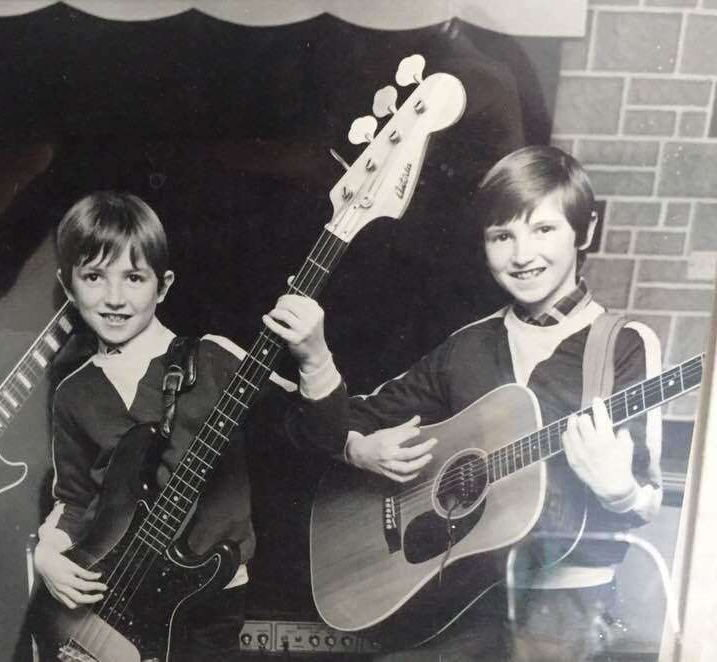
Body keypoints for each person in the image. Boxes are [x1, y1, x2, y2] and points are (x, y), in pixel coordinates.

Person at [264, 145, 662, 661]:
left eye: (544, 230)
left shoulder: (624, 345)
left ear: (583, 233)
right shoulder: (467, 347)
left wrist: (619, 490)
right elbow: (335, 425)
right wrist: (343, 419)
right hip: (461, 604)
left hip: (567, 608)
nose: (522, 256)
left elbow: (647, 498)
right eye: (502, 236)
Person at [29, 191, 291, 661]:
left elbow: (307, 426)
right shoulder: (73, 393)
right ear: (68, 287)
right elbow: (74, 499)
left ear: (163, 285)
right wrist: (46, 554)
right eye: (93, 277)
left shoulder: (215, 359)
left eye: (133, 277)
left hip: (208, 602)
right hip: (111, 598)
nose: (114, 298)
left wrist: (317, 363)